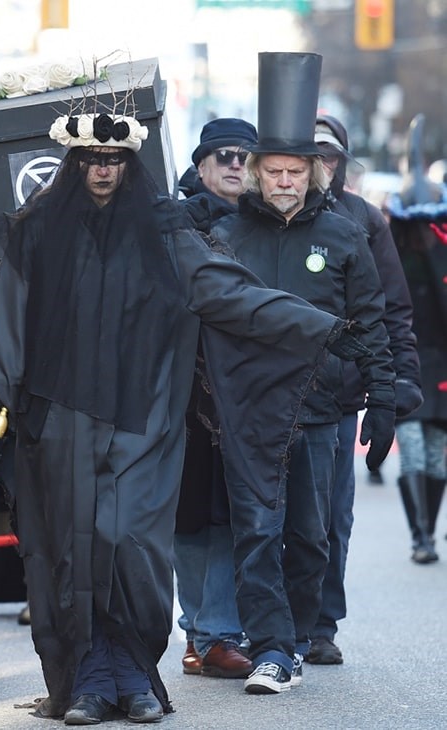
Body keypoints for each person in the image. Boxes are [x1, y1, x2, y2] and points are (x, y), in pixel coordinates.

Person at [0, 98, 371, 723]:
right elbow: (4, 320)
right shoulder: (36, 230)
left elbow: (229, 293)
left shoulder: (164, 229)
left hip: (144, 417)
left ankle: (134, 674)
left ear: (130, 162)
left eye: (114, 158)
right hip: (58, 419)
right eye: (91, 158)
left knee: (133, 549)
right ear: (73, 161)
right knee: (73, 551)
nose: (101, 170)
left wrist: (321, 326)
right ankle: (90, 681)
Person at [210, 52, 396, 694]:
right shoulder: (228, 237)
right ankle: (274, 648)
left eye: (295, 172)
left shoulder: (346, 236)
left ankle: (299, 630)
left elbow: (371, 319)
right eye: (274, 171)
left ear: (313, 174)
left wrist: (386, 399)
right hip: (250, 413)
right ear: (256, 175)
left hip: (320, 411)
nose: (285, 182)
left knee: (311, 537)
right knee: (256, 532)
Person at [305, 115, 422, 664]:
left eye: (330, 156)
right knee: (269, 514)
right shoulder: (262, 215)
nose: (320, 166)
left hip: (340, 392)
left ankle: (322, 624)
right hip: (267, 392)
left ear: (344, 161)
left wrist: (399, 382)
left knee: (332, 515)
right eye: (313, 155)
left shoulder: (364, 219)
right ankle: (269, 622)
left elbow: (394, 309)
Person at [173, 117, 258, 679]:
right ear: (200, 167)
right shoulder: (173, 225)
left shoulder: (269, 226)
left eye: (242, 156)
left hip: (249, 393)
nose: (232, 163)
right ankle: (203, 631)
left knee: (233, 514)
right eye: (221, 155)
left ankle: (216, 632)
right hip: (181, 392)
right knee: (188, 516)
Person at [385, 113, 447, 565]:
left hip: (441, 365)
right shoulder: (389, 252)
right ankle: (420, 536)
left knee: (437, 455)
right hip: (404, 364)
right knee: (413, 454)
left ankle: (426, 531)